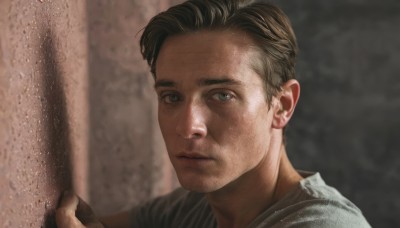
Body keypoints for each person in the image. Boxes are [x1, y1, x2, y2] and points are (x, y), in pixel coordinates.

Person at [56, 0, 371, 227]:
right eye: (172, 96)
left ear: (282, 105)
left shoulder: (325, 224)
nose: (188, 126)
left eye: (222, 95)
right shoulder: (193, 208)